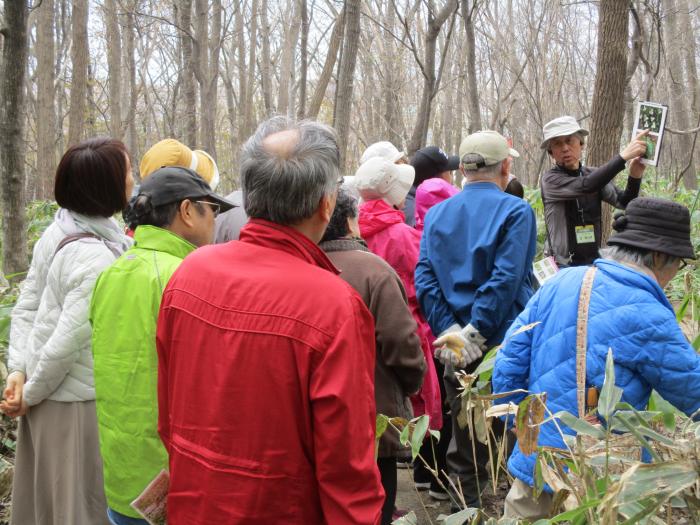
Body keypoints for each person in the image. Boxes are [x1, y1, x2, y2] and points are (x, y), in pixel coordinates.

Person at [156, 117, 384, 524]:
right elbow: (347, 470)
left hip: (195, 504)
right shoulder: (332, 306)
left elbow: (169, 418)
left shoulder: (190, 272)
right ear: (325, 205)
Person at [493, 196, 700, 520]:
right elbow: (694, 393)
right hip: (600, 479)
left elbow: (507, 363)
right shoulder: (649, 313)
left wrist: (522, 428)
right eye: (679, 263)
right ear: (660, 257)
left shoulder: (558, 282)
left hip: (536, 467)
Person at [89, 167, 234, 525]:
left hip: (123, 476)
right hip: (176, 479)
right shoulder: (186, 275)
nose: (215, 220)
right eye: (211, 209)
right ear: (187, 211)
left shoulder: (112, 272)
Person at [1, 138, 134, 525]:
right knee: (78, 507)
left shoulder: (61, 228)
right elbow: (65, 344)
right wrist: (29, 390)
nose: (132, 179)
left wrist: (18, 373)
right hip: (73, 407)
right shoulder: (94, 256)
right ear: (104, 184)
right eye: (126, 171)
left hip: (45, 398)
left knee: (50, 505)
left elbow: (27, 305)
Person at [415, 130, 537, 509]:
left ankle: (464, 511)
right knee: (509, 431)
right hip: (502, 344)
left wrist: (453, 334)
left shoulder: (436, 214)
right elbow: (506, 279)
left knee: (466, 435)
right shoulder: (517, 211)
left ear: (465, 169)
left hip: (456, 347)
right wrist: (474, 333)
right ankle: (504, 510)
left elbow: (425, 277)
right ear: (505, 166)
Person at [320, 186, 426, 525]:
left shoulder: (302, 265)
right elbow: (401, 342)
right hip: (374, 418)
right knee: (377, 504)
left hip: (318, 421)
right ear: (350, 222)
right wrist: (411, 383)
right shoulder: (375, 271)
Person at [354, 158, 444, 488]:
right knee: (411, 405)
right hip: (406, 331)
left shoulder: (351, 230)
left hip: (356, 337)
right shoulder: (404, 236)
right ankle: (421, 474)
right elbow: (425, 288)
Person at [540, 115, 648, 266]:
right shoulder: (550, 180)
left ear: (581, 143)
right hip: (562, 266)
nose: (565, 148)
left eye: (569, 140)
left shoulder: (593, 176)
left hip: (593, 264)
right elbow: (587, 185)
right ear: (551, 152)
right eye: (557, 144)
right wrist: (623, 157)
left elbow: (624, 202)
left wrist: (635, 175)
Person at [410, 146, 460, 228]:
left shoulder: (414, 213)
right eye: (450, 172)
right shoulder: (459, 208)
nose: (451, 177)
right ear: (441, 178)